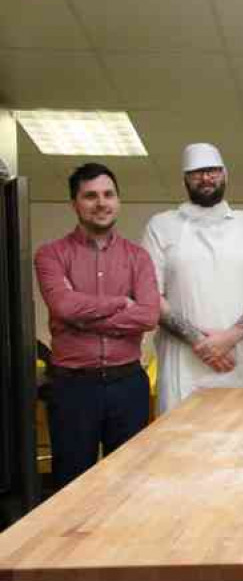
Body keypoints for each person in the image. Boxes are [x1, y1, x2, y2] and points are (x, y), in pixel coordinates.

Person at [34, 163, 159, 489]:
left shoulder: (138, 257)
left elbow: (148, 315)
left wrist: (82, 315)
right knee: (71, 486)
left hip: (127, 384)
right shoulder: (51, 255)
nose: (101, 203)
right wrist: (120, 303)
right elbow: (63, 306)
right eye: (90, 196)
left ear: (118, 200)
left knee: (131, 484)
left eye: (108, 194)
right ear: (74, 203)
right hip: (73, 389)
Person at [142, 143, 243, 414]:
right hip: (182, 358)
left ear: (225, 175)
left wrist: (229, 338)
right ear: (185, 179)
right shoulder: (161, 226)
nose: (206, 178)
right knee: (177, 441)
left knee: (239, 440)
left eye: (213, 171)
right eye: (197, 172)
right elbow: (150, 294)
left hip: (237, 356)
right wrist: (199, 342)